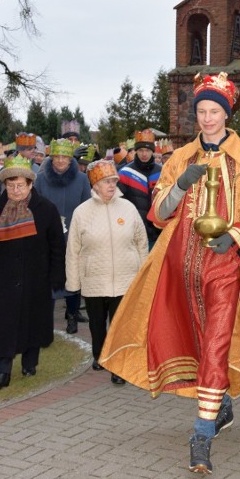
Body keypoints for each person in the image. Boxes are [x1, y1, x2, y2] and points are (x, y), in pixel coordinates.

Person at [99, 72, 240, 474]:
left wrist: (233, 237)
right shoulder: (180, 159)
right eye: (202, 111)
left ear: (227, 114)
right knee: (192, 339)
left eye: (215, 111)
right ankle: (221, 402)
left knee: (215, 343)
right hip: (180, 266)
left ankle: (201, 433)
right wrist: (179, 186)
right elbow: (160, 214)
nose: (208, 118)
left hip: (224, 267)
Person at [0, 155, 65, 390]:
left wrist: (56, 275)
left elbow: (57, 246)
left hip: (36, 277)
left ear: (31, 184)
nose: (15, 190)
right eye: (11, 185)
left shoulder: (46, 209)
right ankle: (2, 371)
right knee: (3, 325)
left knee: (33, 321)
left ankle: (30, 363)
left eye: (20, 185)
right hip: (3, 278)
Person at [66, 160, 148, 383]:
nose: (111, 186)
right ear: (94, 185)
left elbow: (141, 242)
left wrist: (144, 275)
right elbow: (73, 249)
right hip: (95, 278)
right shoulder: (82, 212)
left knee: (120, 324)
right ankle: (99, 354)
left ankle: (117, 366)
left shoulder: (128, 208)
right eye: (105, 182)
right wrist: (73, 282)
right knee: (97, 322)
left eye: (113, 181)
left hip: (125, 277)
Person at [33, 138, 91, 334]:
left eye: (64, 157)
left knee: (72, 277)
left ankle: (72, 315)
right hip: (47, 236)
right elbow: (34, 206)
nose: (59, 161)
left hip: (74, 235)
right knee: (47, 277)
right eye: (56, 156)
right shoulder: (41, 179)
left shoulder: (82, 179)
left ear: (70, 159)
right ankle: (45, 321)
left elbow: (87, 207)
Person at [118, 129, 163, 248]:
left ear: (152, 151)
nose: (144, 154)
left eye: (148, 150)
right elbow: (118, 204)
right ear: (136, 151)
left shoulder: (162, 172)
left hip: (157, 233)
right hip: (133, 233)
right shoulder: (125, 173)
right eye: (141, 150)